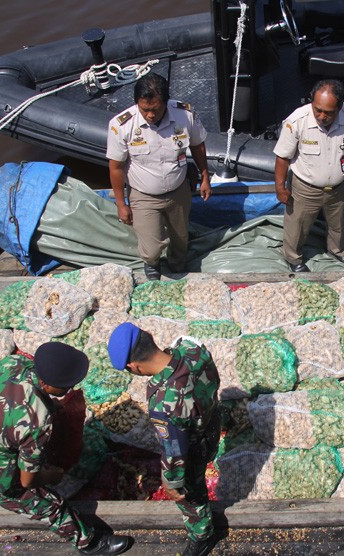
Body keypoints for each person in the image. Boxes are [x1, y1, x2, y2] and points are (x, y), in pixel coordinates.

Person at [0, 342, 133, 555]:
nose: (69, 390)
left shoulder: (14, 363)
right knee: (50, 504)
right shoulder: (36, 421)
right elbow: (28, 481)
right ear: (46, 383)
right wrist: (51, 476)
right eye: (66, 386)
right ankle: (88, 543)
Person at [108, 323, 221, 556]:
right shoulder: (191, 348)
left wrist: (171, 482)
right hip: (212, 422)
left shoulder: (163, 401)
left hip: (195, 444)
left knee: (192, 491)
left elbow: (174, 449)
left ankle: (202, 534)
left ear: (134, 367)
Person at [107, 73, 211, 282]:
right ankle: (152, 263)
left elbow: (198, 146)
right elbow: (116, 167)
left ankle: (177, 264)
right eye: (145, 109)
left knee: (181, 238)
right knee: (152, 247)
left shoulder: (185, 115)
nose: (150, 115)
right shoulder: (121, 125)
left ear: (166, 102)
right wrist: (121, 204)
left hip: (178, 190)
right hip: (143, 195)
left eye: (155, 109)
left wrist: (205, 177)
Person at [273, 79, 344, 273]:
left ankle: (338, 251)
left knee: (338, 224)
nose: (321, 116)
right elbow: (282, 157)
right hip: (305, 189)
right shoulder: (296, 121)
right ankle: (294, 258)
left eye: (328, 112)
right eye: (317, 109)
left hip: (339, 188)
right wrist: (280, 187)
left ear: (340, 106)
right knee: (297, 227)